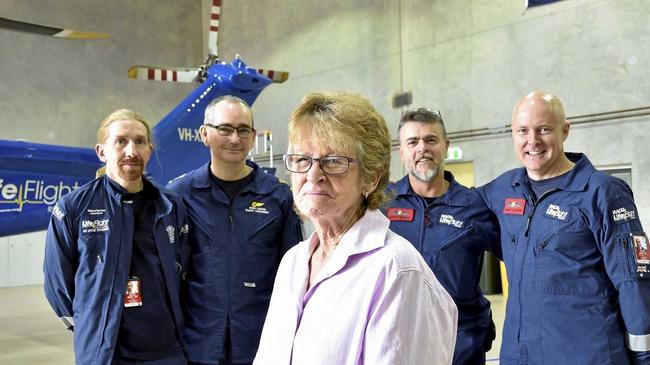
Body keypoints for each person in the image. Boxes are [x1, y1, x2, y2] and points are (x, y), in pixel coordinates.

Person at [253, 91, 458, 365]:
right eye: (302, 160)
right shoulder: (293, 263)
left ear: (371, 178)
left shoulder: (396, 269)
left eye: (333, 161)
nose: (313, 175)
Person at [479, 91, 650, 364]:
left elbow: (633, 281)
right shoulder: (502, 190)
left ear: (565, 131)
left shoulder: (602, 193)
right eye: (522, 131)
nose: (532, 141)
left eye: (543, 129)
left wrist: (644, 356)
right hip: (520, 356)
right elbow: (452, 213)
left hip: (588, 356)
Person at [44, 109, 190, 364]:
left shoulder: (171, 205)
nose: (131, 151)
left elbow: (185, 270)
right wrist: (92, 326)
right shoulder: (73, 208)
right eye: (121, 141)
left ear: (149, 151)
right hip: (106, 354)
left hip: (166, 350)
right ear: (102, 152)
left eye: (140, 141)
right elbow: (58, 286)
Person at [167, 95, 303, 365]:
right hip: (198, 344)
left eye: (243, 130)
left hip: (260, 344)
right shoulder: (179, 195)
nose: (234, 138)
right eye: (225, 129)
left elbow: (293, 275)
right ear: (205, 134)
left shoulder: (278, 197)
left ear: (253, 137)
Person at [385, 107, 500, 365]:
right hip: (400, 343)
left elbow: (519, 258)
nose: (422, 148)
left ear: (445, 146)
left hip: (461, 347)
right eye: (413, 142)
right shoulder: (383, 205)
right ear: (402, 152)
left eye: (431, 140)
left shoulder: (475, 206)